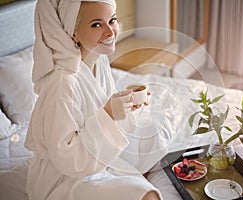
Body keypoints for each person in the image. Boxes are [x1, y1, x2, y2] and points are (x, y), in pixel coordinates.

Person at [25, 0, 182, 199]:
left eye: (112, 20)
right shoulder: (62, 84)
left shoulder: (100, 61)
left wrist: (128, 108)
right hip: (66, 178)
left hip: (100, 157)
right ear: (72, 32)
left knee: (160, 132)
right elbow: (68, 159)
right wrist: (108, 115)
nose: (110, 32)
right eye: (96, 24)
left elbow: (105, 113)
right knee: (145, 195)